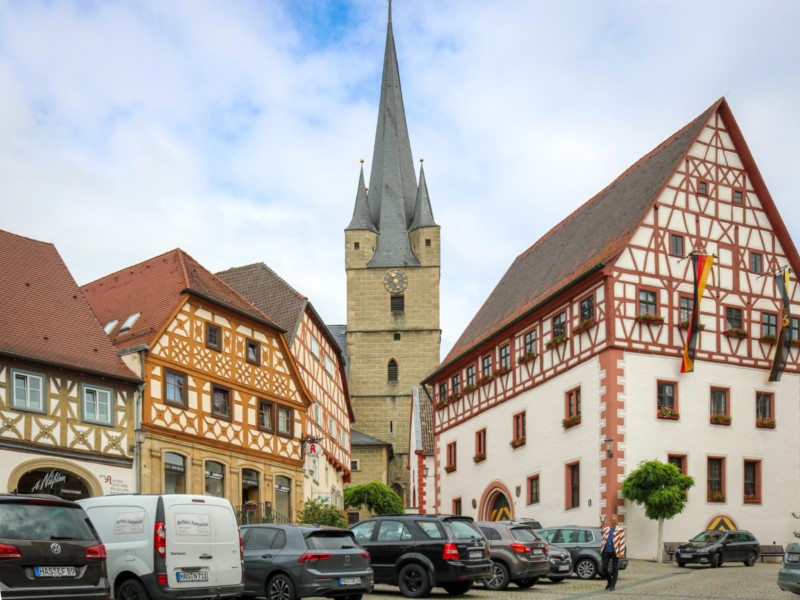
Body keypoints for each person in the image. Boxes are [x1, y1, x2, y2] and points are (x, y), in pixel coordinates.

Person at [600, 514, 626, 591]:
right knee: (604, 568)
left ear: (617, 520)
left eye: (615, 520)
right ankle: (609, 581)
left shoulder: (620, 530)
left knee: (615, 569)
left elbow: (622, 541)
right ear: (610, 520)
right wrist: (602, 524)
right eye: (612, 520)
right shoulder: (606, 529)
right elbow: (602, 535)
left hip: (615, 551)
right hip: (606, 551)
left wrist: (621, 552)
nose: (614, 521)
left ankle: (613, 585)